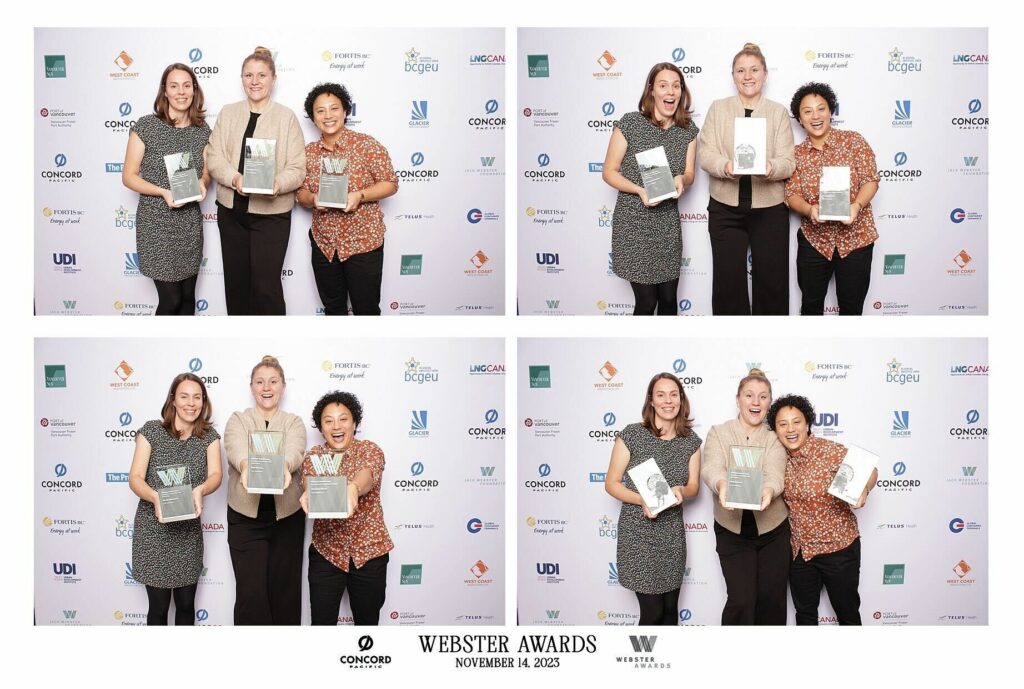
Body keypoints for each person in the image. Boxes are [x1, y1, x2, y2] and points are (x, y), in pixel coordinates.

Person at [206, 46, 306, 315]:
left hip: (271, 216)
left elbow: (298, 167)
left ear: (274, 78)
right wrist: (235, 178)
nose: (255, 81)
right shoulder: (228, 112)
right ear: (241, 79)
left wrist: (278, 184)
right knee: (236, 286)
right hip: (231, 213)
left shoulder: (286, 117)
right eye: (248, 75)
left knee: (266, 288)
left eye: (261, 75)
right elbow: (214, 157)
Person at [698, 43, 795, 315]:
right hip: (725, 208)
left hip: (770, 209)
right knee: (728, 284)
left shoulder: (777, 112)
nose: (747, 76)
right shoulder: (718, 109)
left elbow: (788, 162)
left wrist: (770, 167)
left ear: (765, 73)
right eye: (740, 70)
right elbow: (706, 154)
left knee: (772, 284)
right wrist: (725, 165)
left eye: (754, 69)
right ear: (733, 76)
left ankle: (769, 344)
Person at [767, 394, 877, 625]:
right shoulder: (777, 458)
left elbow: (869, 470)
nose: (790, 429)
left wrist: (863, 489)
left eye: (796, 422)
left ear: (807, 424)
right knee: (805, 615)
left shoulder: (828, 451)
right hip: (801, 553)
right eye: (782, 424)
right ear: (775, 429)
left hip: (839, 549)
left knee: (847, 614)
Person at [604, 373, 701, 624]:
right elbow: (611, 483)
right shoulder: (632, 434)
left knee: (670, 612)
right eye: (661, 394)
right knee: (653, 613)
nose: (668, 401)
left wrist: (682, 490)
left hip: (671, 535)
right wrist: (641, 500)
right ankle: (644, 660)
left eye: (673, 394)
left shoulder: (690, 441)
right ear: (651, 401)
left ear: (681, 399)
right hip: (638, 535)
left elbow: (694, 487)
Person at [602, 62, 698, 316]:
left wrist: (682, 179)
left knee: (669, 301)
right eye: (663, 85)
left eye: (676, 86)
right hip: (634, 224)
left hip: (667, 225)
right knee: (646, 303)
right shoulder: (631, 123)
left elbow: (690, 174)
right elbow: (609, 171)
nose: (670, 91)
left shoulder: (688, 130)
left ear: (681, 92)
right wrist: (639, 190)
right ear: (652, 90)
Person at [128, 373, 222, 625]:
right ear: (173, 399)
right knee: (158, 609)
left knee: (185, 606)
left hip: (187, 533)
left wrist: (200, 490)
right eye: (184, 396)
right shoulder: (151, 431)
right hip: (154, 533)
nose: (191, 403)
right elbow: (135, 477)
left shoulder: (209, 437)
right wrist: (154, 497)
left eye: (197, 397)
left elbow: (216, 475)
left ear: (204, 401)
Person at [296, 83, 398, 315]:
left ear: (345, 111)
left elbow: (390, 183)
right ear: (313, 117)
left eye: (334, 108)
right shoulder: (308, 152)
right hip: (324, 246)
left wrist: (360, 195)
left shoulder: (366, 145)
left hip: (363, 243)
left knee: (367, 310)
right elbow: (300, 194)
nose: (328, 116)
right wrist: (313, 199)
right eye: (320, 111)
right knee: (333, 310)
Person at [223, 355, 307, 624]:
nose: (266, 387)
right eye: (260, 382)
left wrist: (285, 465)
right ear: (251, 387)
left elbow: (295, 449)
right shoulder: (238, 419)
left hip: (287, 518)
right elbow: (235, 446)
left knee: (285, 591)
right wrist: (246, 465)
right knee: (251, 593)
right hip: (245, 518)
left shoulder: (293, 422)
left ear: (283, 386)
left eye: (273, 381)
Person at [701, 368, 789, 625]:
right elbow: (711, 467)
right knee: (742, 600)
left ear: (769, 403)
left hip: (773, 530)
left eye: (763, 397)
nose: (755, 402)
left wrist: (769, 491)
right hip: (732, 529)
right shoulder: (719, 432)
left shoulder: (774, 438)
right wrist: (721, 485)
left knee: (772, 601)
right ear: (738, 399)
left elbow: (775, 474)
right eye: (749, 395)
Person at [121, 63, 210, 316]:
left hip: (189, 223)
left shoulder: (202, 130)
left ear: (194, 90)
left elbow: (207, 170)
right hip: (157, 223)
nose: (181, 92)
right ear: (165, 91)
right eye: (174, 86)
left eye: (186, 85)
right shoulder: (146, 126)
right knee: (170, 301)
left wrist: (203, 182)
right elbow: (128, 176)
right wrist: (163, 192)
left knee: (187, 299)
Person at [785, 82, 880, 316]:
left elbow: (871, 179)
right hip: (814, 242)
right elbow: (791, 195)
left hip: (856, 240)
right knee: (811, 306)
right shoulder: (795, 154)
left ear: (831, 111)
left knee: (851, 308)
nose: (815, 116)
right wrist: (808, 210)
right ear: (799, 118)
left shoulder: (854, 141)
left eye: (821, 108)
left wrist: (856, 206)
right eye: (807, 111)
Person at [299, 391, 393, 625]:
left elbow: (367, 475)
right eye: (328, 420)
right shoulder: (314, 456)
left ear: (354, 423)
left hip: (370, 554)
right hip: (326, 554)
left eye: (343, 419)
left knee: (368, 623)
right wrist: (309, 490)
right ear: (321, 428)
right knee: (321, 624)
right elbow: (309, 480)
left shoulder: (370, 450)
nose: (336, 426)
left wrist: (352, 488)